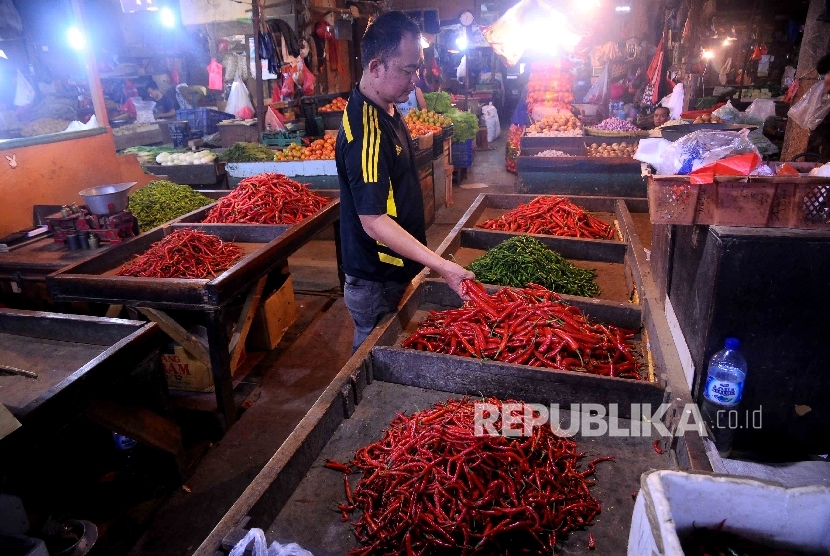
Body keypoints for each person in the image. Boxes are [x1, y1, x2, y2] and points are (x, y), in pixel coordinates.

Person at [335, 11, 474, 353]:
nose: (415, 80)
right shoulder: (366, 131)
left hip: (395, 269)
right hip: (376, 278)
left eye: (417, 69)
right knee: (369, 361)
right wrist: (442, 266)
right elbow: (373, 220)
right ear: (375, 67)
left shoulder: (389, 108)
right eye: (408, 70)